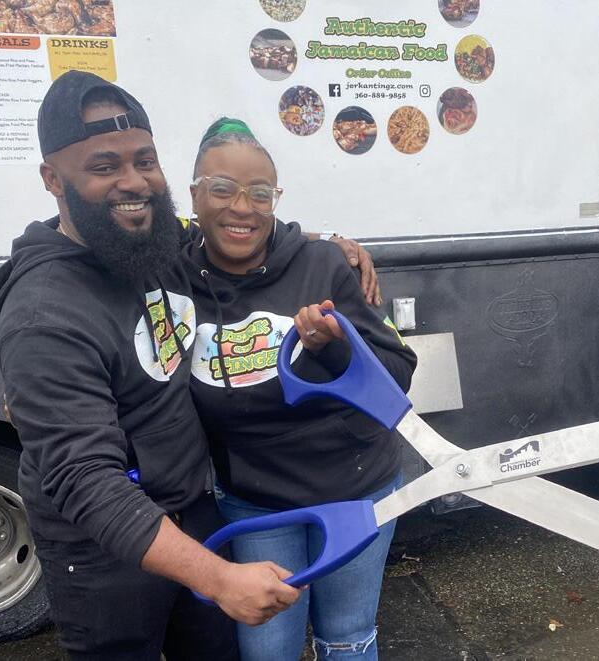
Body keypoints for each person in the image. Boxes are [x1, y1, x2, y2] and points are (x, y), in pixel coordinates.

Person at [0, 71, 306, 660]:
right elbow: (85, 480)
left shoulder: (154, 240)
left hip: (193, 512)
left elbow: (238, 229)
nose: (134, 182)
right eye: (105, 166)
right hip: (101, 547)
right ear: (53, 179)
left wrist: (330, 248)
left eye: (145, 160)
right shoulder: (43, 315)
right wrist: (219, 579)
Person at [184, 118, 417, 660]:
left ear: (275, 201)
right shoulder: (173, 276)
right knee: (267, 648)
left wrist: (335, 347)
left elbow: (398, 373)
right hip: (255, 500)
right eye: (222, 189)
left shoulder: (325, 265)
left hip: (357, 485)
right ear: (194, 195)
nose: (242, 207)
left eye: (259, 194)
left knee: (347, 635)